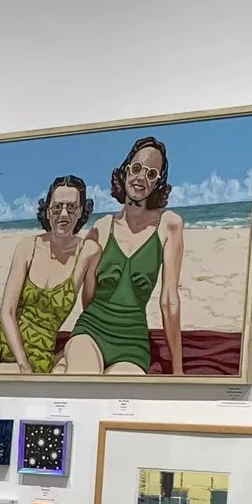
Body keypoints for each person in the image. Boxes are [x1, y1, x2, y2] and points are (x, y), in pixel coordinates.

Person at [0, 176, 96, 375]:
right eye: (57, 207)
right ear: (48, 211)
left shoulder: (88, 252)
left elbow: (91, 310)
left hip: (38, 351)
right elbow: (8, 311)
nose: (63, 214)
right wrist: (22, 364)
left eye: (71, 207)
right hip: (1, 332)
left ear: (80, 211)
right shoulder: (28, 246)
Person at [57, 136, 184, 377]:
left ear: (158, 182)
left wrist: (178, 370)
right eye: (136, 168)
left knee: (121, 391)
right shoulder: (102, 228)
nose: (141, 178)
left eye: (151, 174)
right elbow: (87, 296)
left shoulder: (169, 225)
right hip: (91, 330)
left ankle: (62, 366)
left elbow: (169, 300)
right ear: (125, 171)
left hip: (132, 344)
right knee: (85, 376)